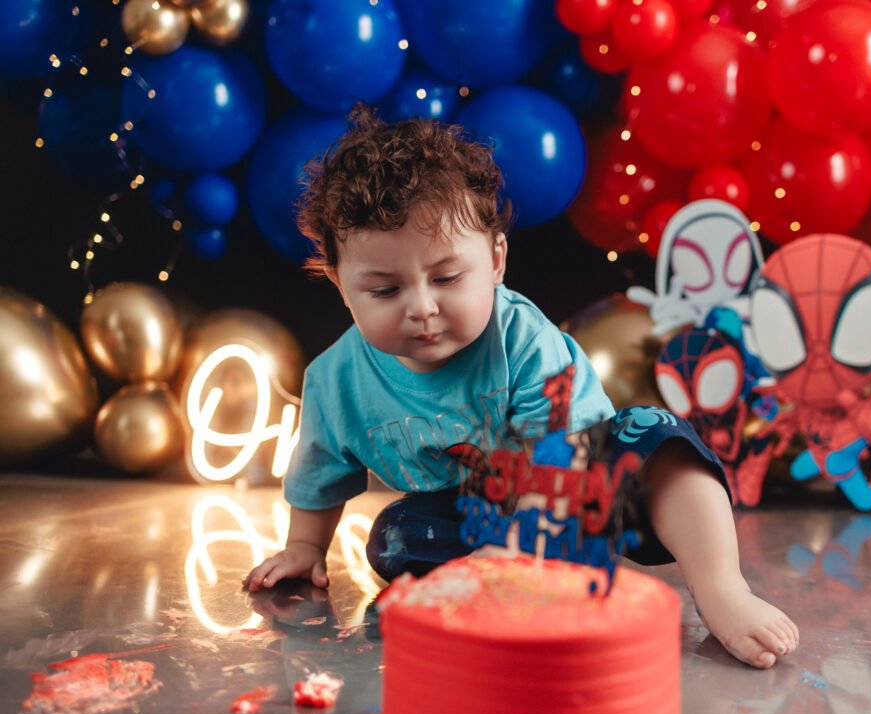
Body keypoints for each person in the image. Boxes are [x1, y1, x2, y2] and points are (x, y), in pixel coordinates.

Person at [243, 104, 799, 669]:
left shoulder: (523, 340)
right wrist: (305, 548)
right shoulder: (336, 382)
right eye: (385, 291)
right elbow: (320, 476)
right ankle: (512, 583)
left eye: (448, 277)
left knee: (659, 438)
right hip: (479, 522)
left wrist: (520, 551)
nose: (423, 307)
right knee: (394, 535)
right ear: (341, 285)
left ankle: (722, 589)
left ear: (495, 260)